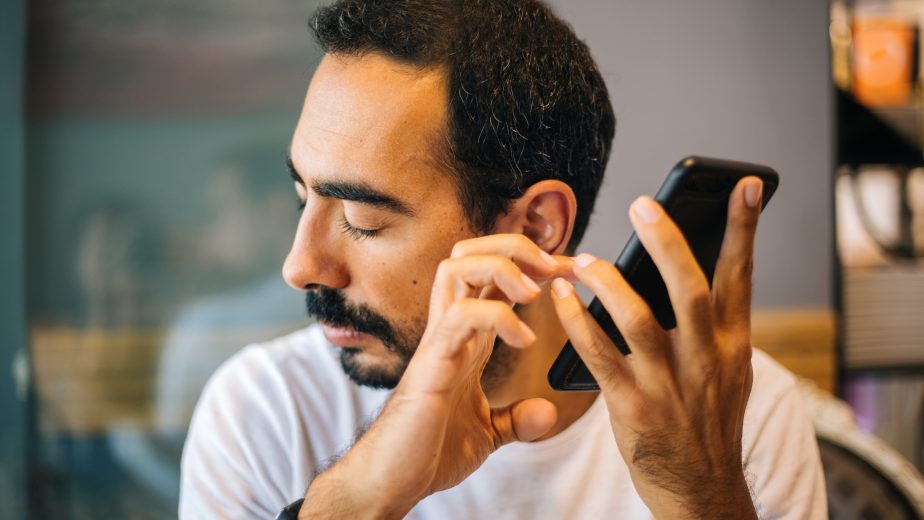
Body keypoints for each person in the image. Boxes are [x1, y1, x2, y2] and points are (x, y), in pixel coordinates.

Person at [180, 0, 827, 518]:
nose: (301, 266)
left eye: (362, 220)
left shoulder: (738, 415)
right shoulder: (267, 409)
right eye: (302, 199)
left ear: (538, 226)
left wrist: (703, 500)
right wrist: (357, 500)